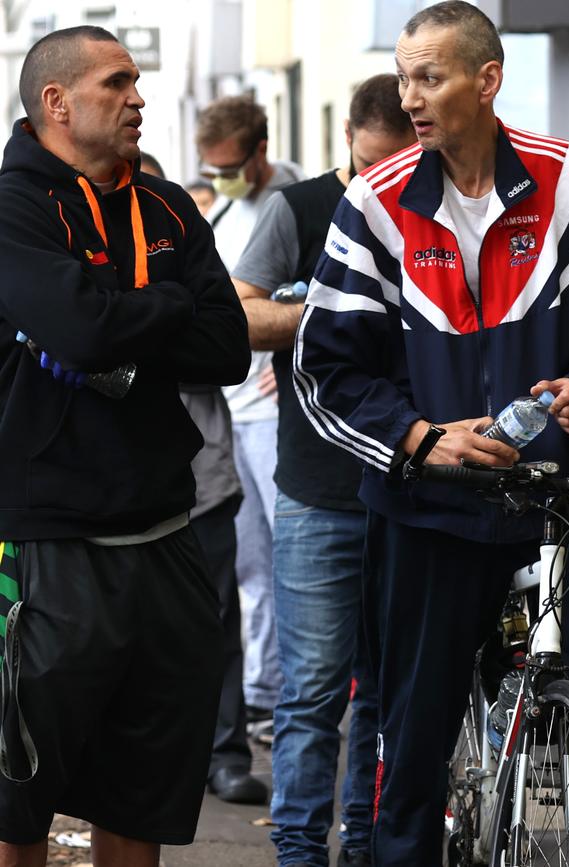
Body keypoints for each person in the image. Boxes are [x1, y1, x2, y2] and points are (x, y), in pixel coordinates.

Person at [293, 4, 569, 866]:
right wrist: (420, 439)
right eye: (405, 76)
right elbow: (323, 371)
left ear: (488, 80)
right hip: (429, 510)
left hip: (563, 500)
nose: (409, 96)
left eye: (431, 76)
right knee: (410, 747)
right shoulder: (374, 205)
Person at [0, 24, 250, 867]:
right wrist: (165, 305)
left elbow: (226, 348)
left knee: (141, 791)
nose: (138, 97)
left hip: (166, 538)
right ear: (57, 103)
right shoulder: (13, 208)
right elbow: (78, 331)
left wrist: (120, 315)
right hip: (44, 547)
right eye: (118, 83)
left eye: (138, 82)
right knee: (17, 797)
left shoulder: (171, 205)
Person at [233, 74, 416, 867]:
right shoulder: (299, 209)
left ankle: (364, 845)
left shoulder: (435, 210)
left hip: (413, 485)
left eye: (397, 166)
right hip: (319, 491)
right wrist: (328, 314)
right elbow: (239, 314)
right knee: (311, 694)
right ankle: (300, 853)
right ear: (348, 136)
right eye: (370, 164)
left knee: (385, 691)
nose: (382, 184)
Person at [180, 96, 304, 804]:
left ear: (259, 152)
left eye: (229, 168)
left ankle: (241, 723)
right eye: (210, 171)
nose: (220, 178)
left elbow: (219, 329)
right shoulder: (215, 216)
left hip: (247, 427)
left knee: (247, 581)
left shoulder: (291, 204)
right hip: (207, 432)